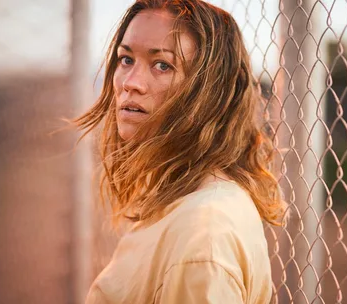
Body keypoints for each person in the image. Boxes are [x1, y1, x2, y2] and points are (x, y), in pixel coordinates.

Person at [74, 0, 287, 303]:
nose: (131, 83)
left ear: (211, 90)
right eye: (126, 59)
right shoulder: (177, 195)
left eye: (163, 65)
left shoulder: (205, 234)